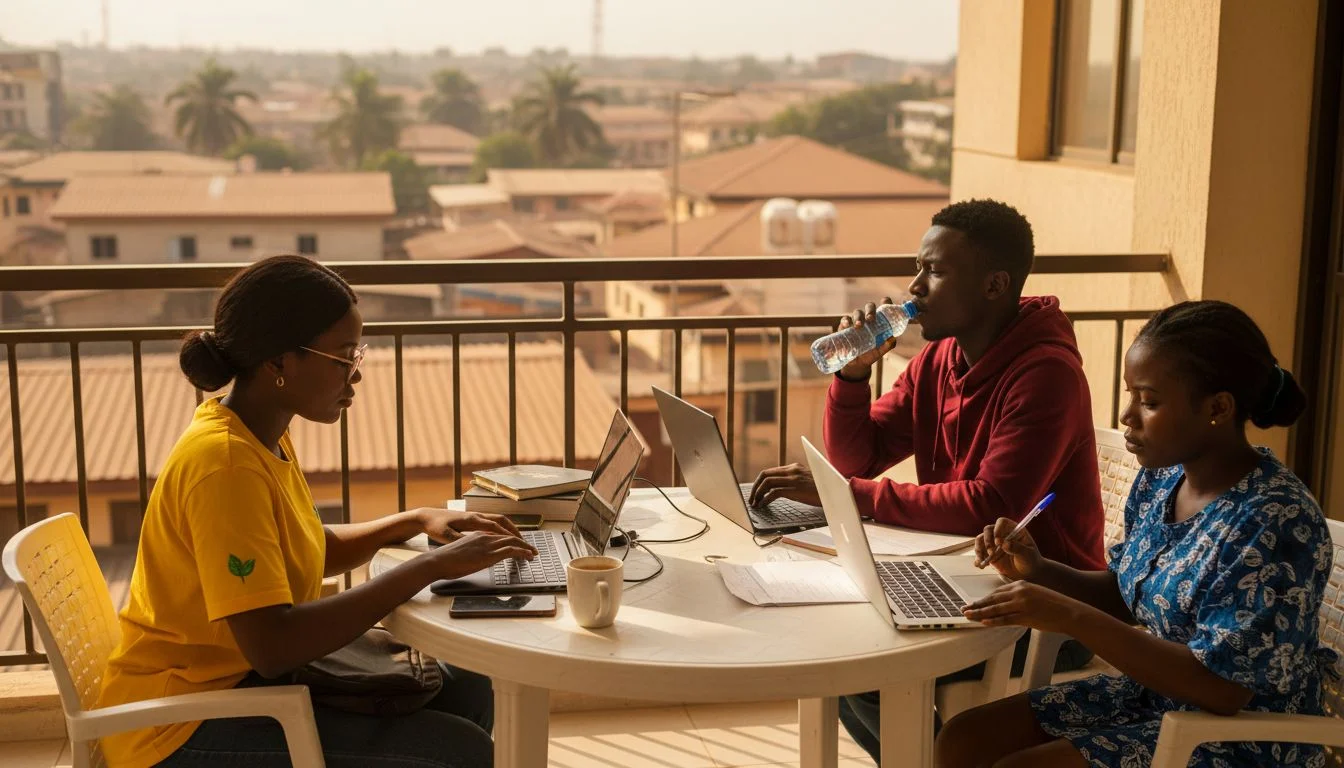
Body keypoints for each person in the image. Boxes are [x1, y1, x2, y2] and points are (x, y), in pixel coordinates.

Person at [96, 255, 538, 768]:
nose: (356, 375)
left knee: (470, 687)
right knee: (460, 753)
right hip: (177, 725)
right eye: (343, 357)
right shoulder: (226, 465)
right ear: (279, 362)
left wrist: (416, 520)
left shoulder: (258, 434)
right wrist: (432, 566)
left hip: (240, 684)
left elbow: (304, 548)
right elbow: (273, 645)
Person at [748, 199, 1106, 758]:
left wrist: (850, 496)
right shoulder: (939, 360)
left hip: (1044, 609)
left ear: (994, 286)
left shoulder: (1047, 375)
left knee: (864, 672)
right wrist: (852, 373)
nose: (913, 287)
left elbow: (989, 504)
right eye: (918, 268)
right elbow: (856, 459)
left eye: (934, 271)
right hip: (958, 574)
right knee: (845, 658)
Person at [939, 300, 1334, 768]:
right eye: (1132, 396)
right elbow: (1129, 595)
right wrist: (1038, 570)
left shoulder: (1274, 521)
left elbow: (1224, 689)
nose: (1128, 415)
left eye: (1148, 402)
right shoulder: (1163, 479)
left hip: (1245, 734)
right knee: (964, 739)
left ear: (1218, 408)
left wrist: (1069, 616)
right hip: (1161, 698)